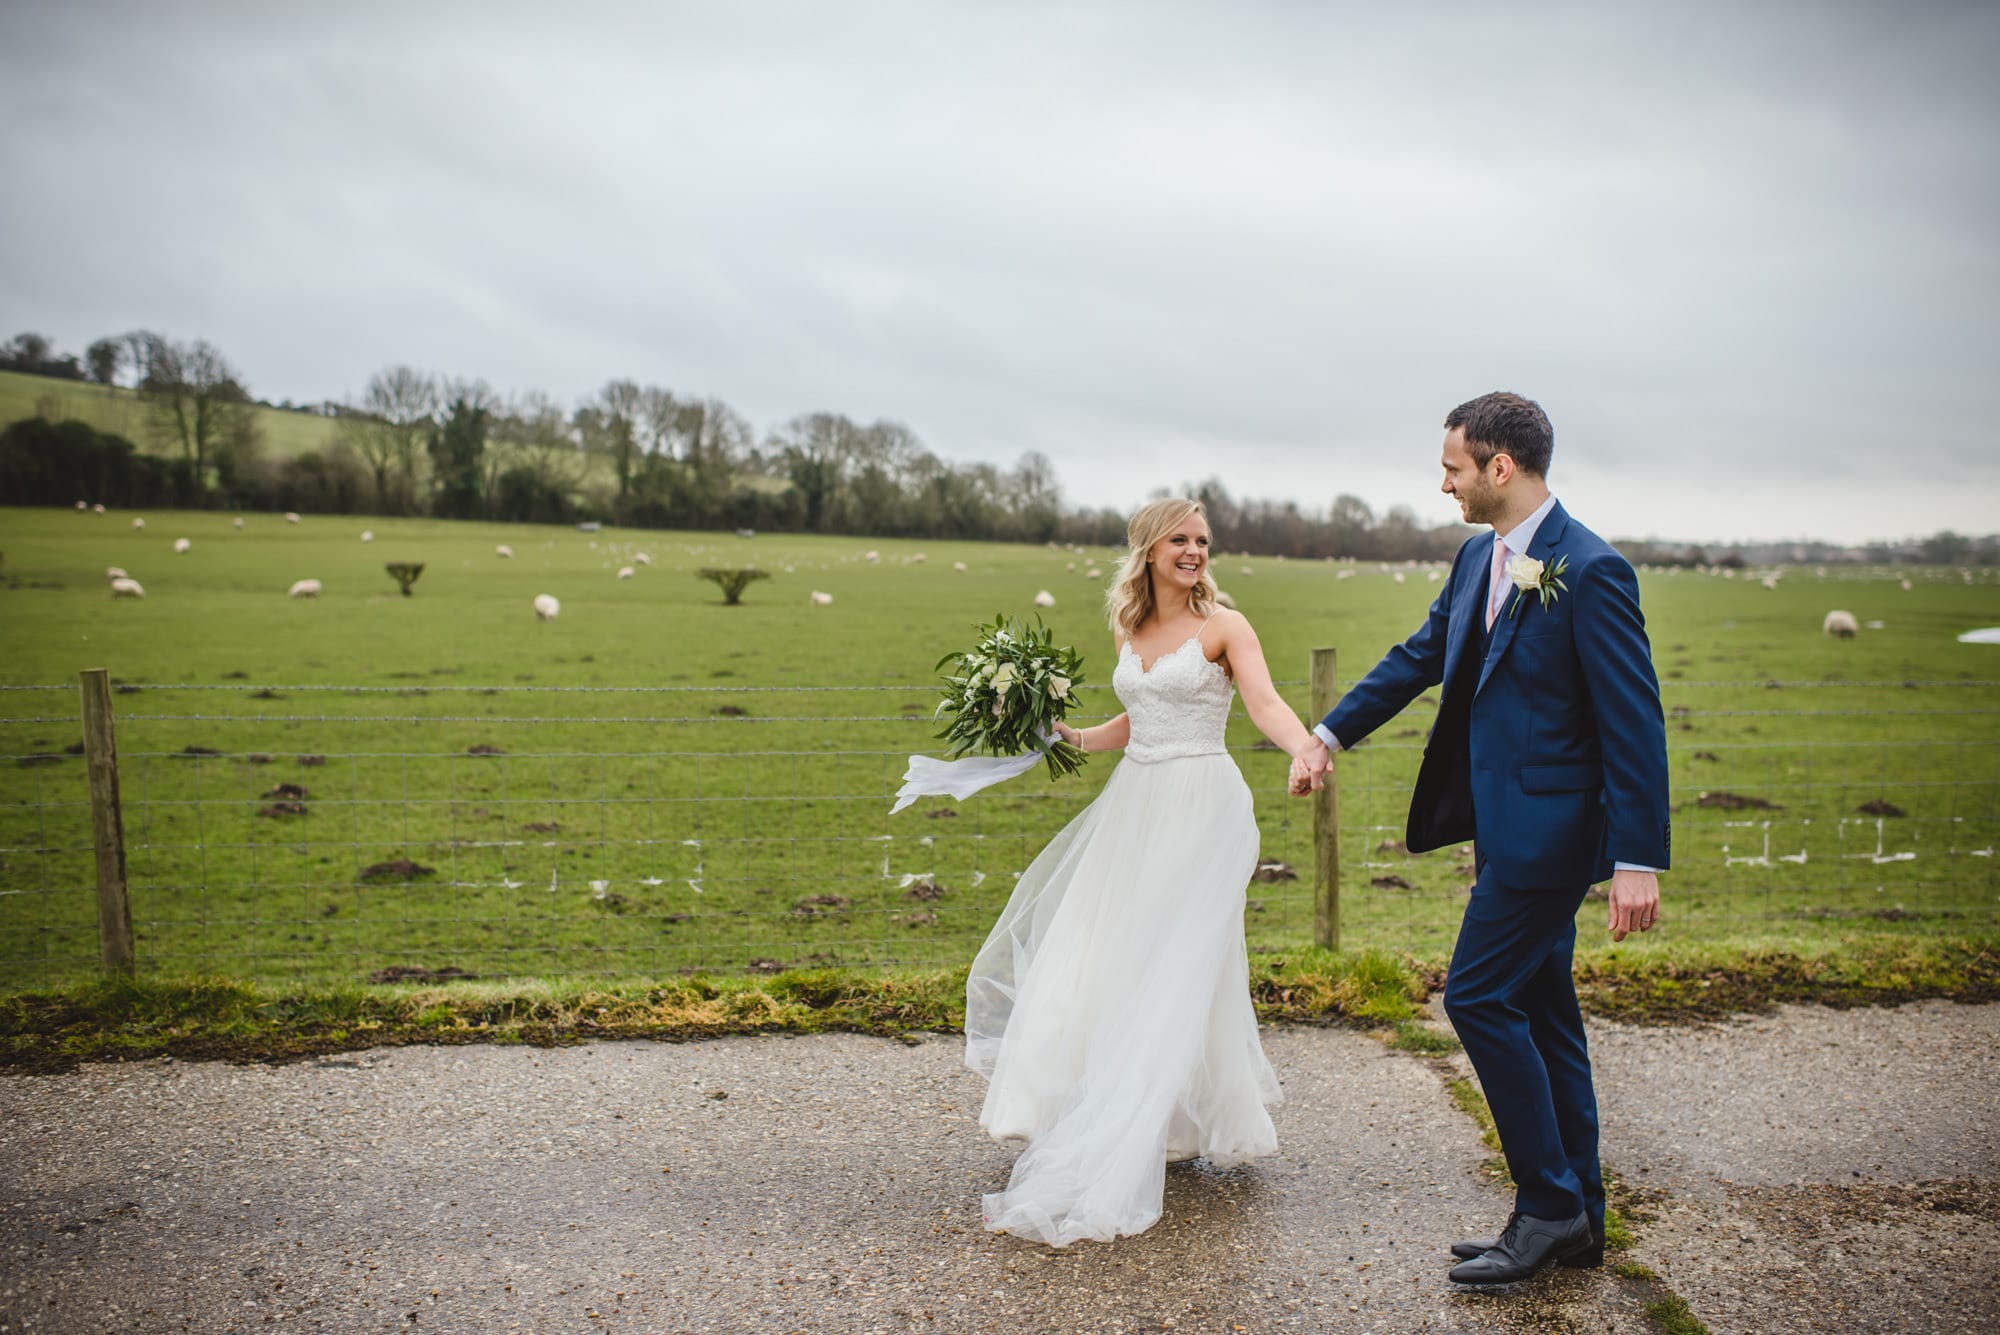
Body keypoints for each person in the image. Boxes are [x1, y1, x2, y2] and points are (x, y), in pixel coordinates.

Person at [1291, 391, 1670, 1286]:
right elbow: (1418, 656)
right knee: (1546, 1018)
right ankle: (1578, 1216)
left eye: (1454, 466)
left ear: (1503, 467)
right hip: (1499, 836)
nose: (1444, 482)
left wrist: (1636, 856)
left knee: (1474, 997)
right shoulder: (1476, 562)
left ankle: (1545, 1205)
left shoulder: (1593, 569)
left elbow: (1634, 722)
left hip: (1554, 838)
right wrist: (1329, 734)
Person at [965, 497, 1318, 1247]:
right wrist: (1068, 733)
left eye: (1202, 540)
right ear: (1149, 549)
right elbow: (1136, 720)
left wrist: (1303, 747)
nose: (1194, 550)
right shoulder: (1129, 626)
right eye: (1179, 539)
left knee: (1182, 959)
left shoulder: (1226, 625)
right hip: (1137, 801)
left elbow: (1263, 701)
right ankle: (1150, 1115)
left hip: (1204, 805)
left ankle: (1149, 1116)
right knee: (1112, 952)